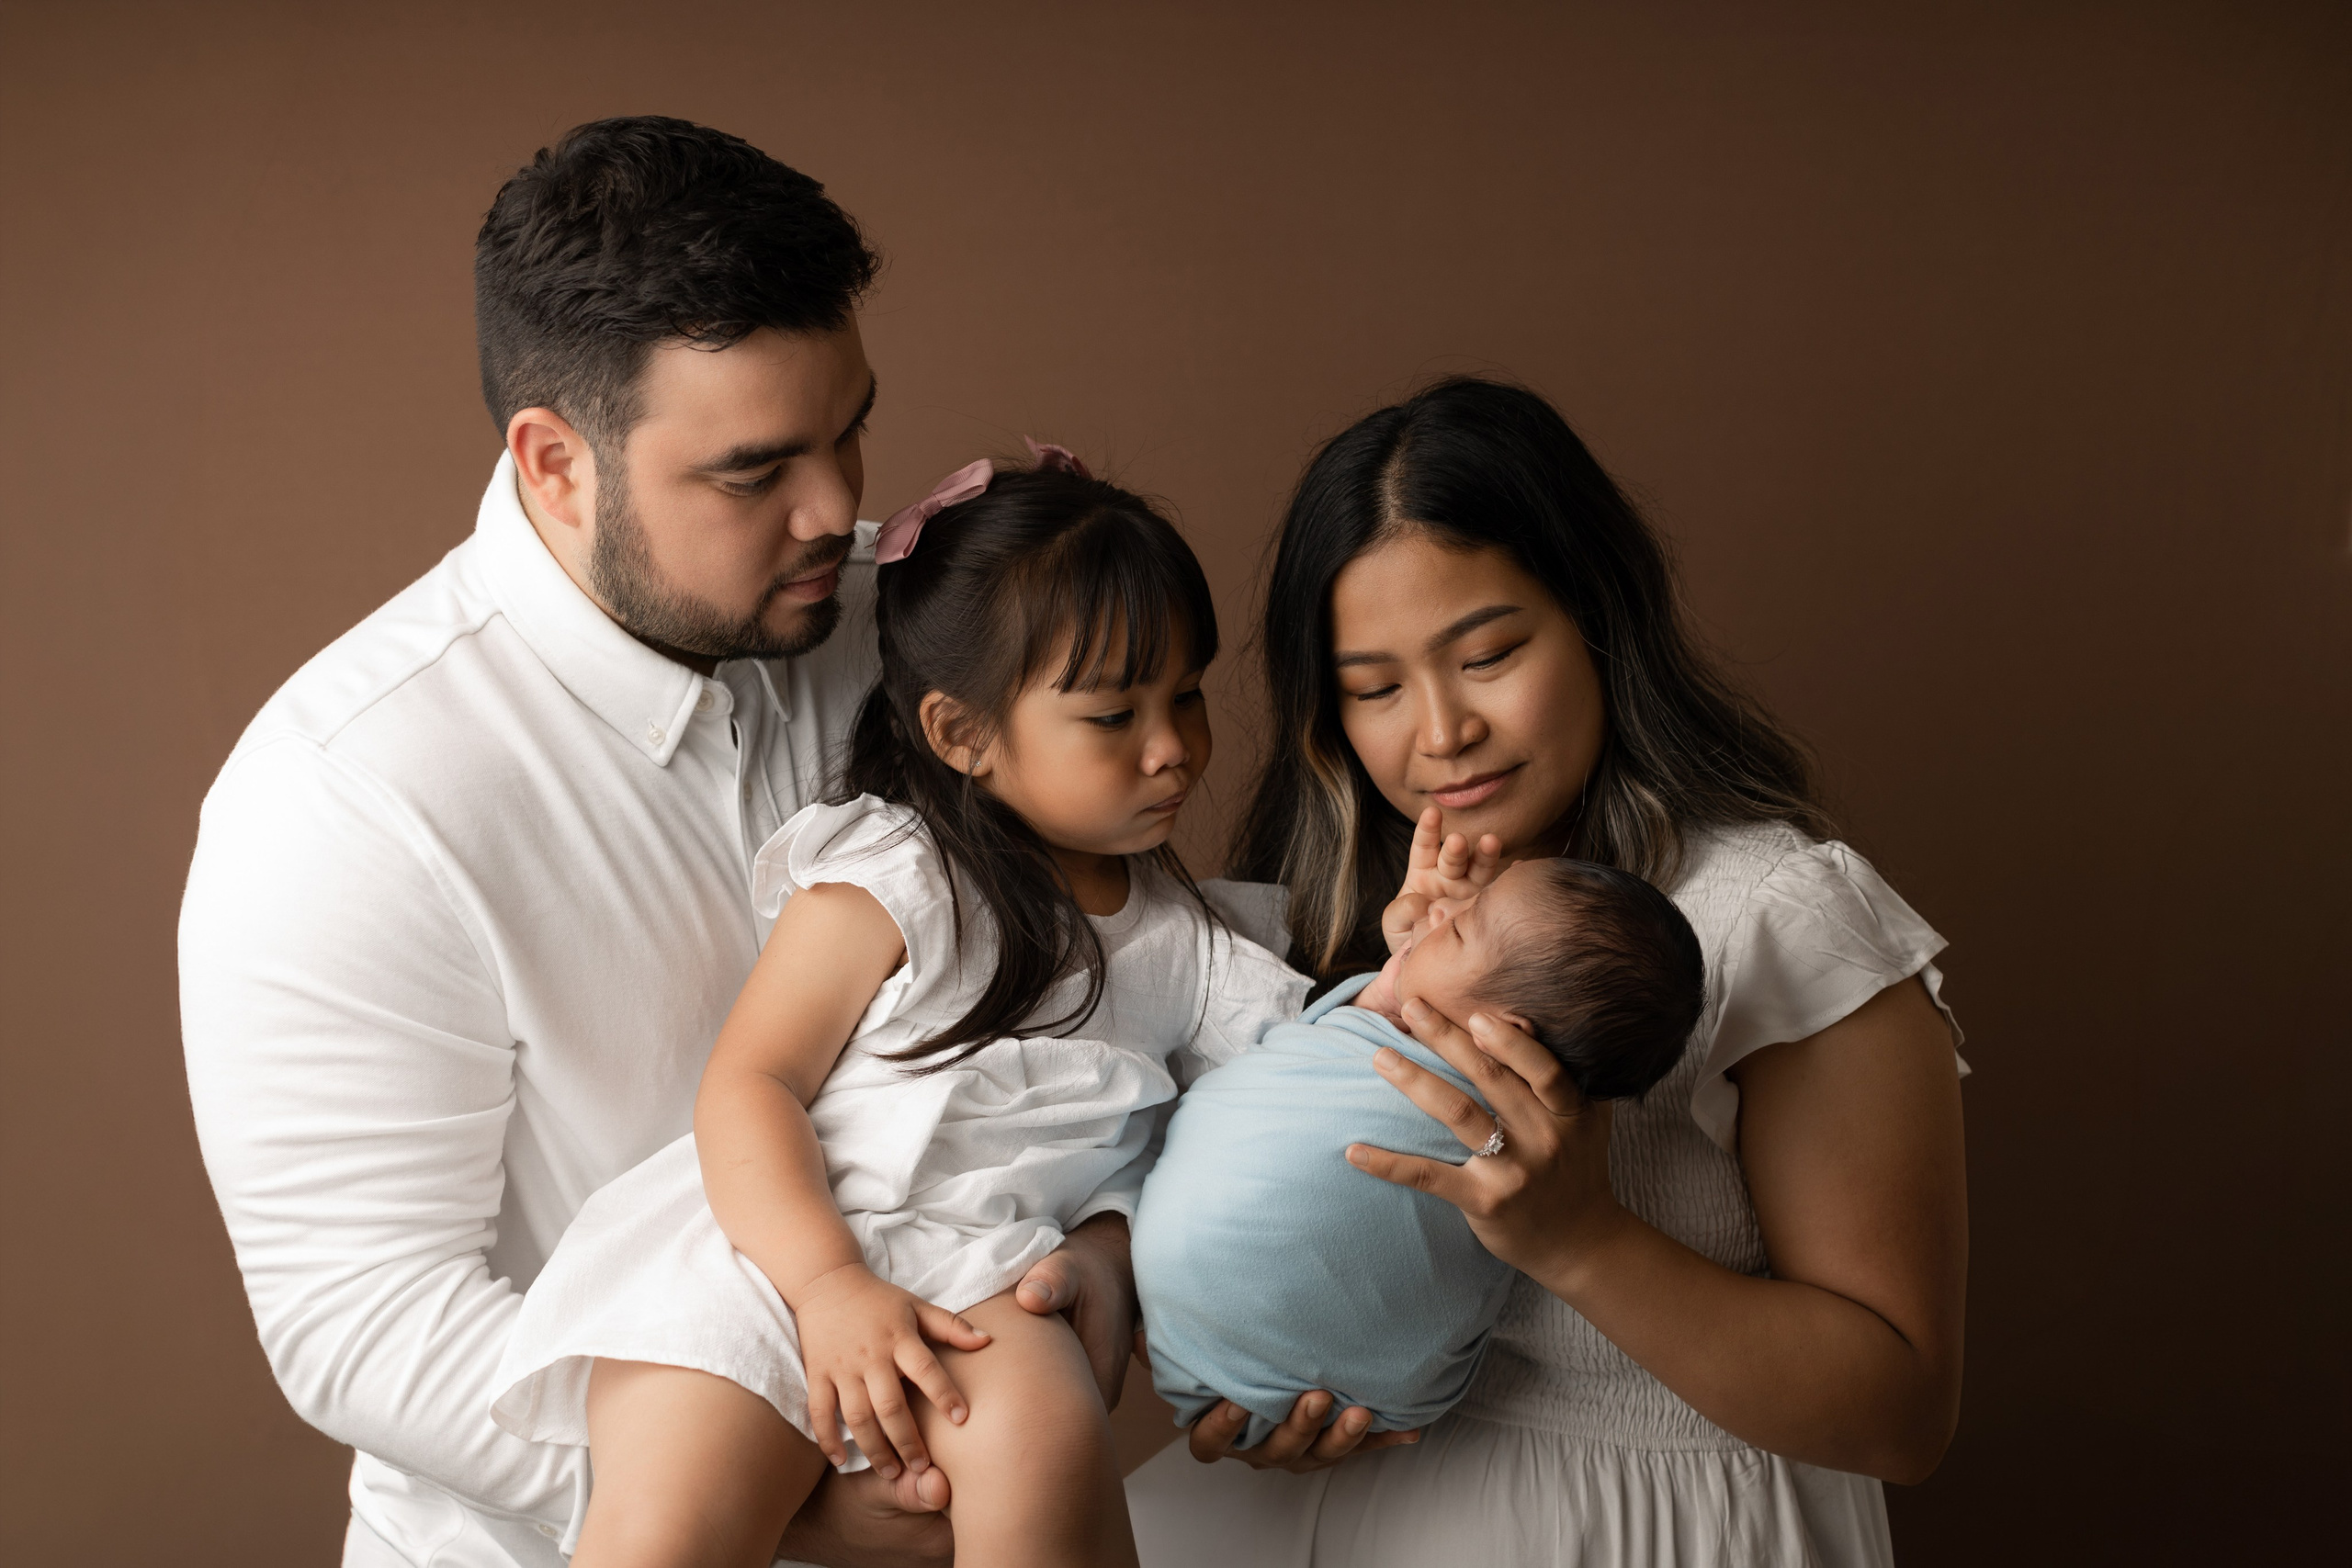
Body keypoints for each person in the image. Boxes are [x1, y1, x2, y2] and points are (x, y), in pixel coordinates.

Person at [177, 117, 1133, 1568]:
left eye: (850, 428)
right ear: (557, 464)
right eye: (756, 473)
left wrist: (1133, 1267)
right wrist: (791, 1491)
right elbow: (361, 1320)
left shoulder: (919, 639)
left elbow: (1106, 977)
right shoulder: (346, 793)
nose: (838, 510)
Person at [1125, 377, 1970, 1567]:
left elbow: (1902, 1410)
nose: (1438, 730)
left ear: (1599, 618)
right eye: (1373, 688)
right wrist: (1280, 1396)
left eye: (1489, 653)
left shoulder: (1776, 917)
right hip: (1372, 1523)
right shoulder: (1350, 925)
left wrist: (1581, 1238)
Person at [492, 450, 1306, 1568]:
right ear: (963, 735)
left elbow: (1279, 1094)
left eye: (1188, 696)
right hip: (779, 1249)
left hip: (984, 1278)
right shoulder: (896, 875)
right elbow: (753, 1082)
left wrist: (1115, 1243)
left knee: (1049, 1449)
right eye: (1115, 714)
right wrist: (824, 1283)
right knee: (674, 1516)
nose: (1173, 749)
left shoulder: (1193, 943)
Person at [1134, 829, 1704, 1449]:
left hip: (1197, 1332)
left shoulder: (1526, 1155)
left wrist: (1392, 982)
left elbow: (1330, 1034)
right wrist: (1416, 957)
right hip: (1333, 1396)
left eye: (1460, 927)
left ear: (1502, 1031)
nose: (1438, 911)